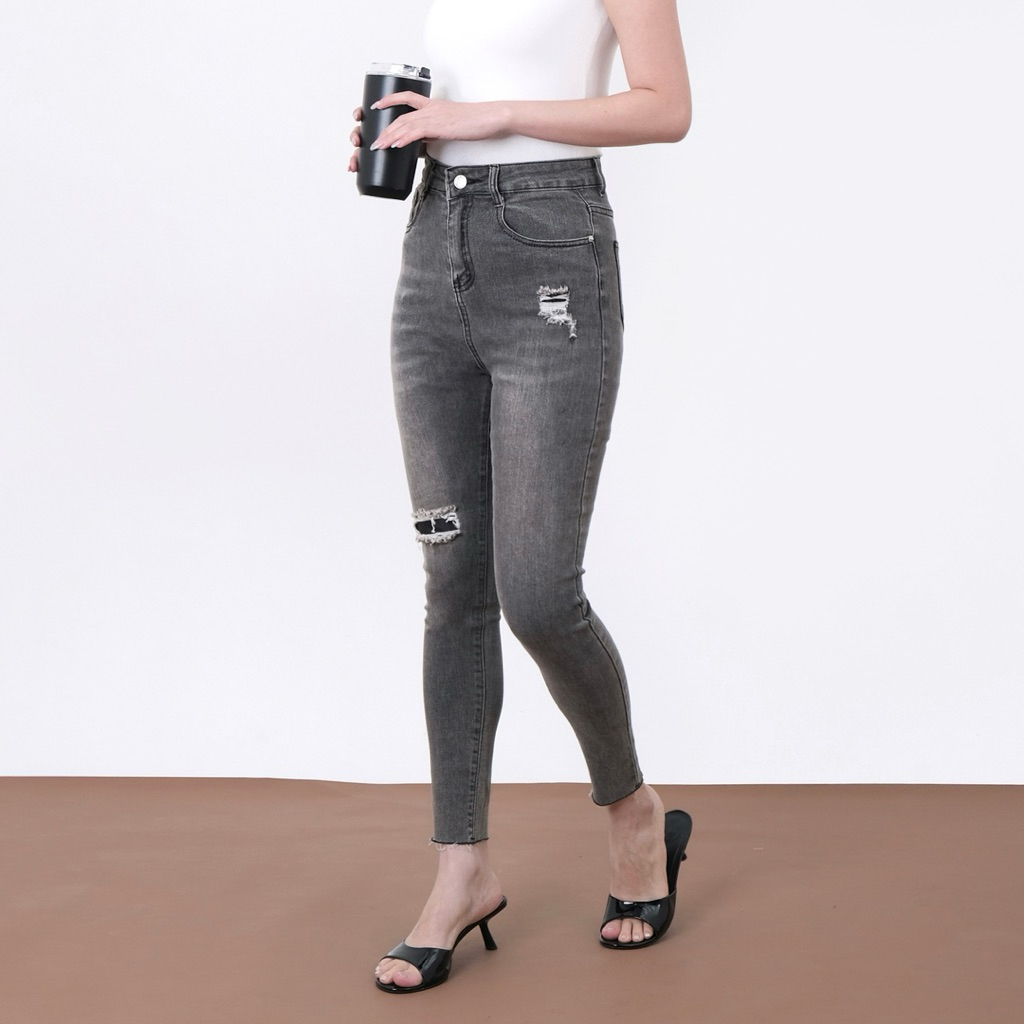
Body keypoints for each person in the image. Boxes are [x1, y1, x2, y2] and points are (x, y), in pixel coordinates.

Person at [348, 0, 693, 993]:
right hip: (433, 245)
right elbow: (463, 92)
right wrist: (411, 130)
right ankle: (461, 870)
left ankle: (633, 810)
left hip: (551, 251)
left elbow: (665, 106)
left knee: (538, 592)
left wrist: (486, 115)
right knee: (454, 583)